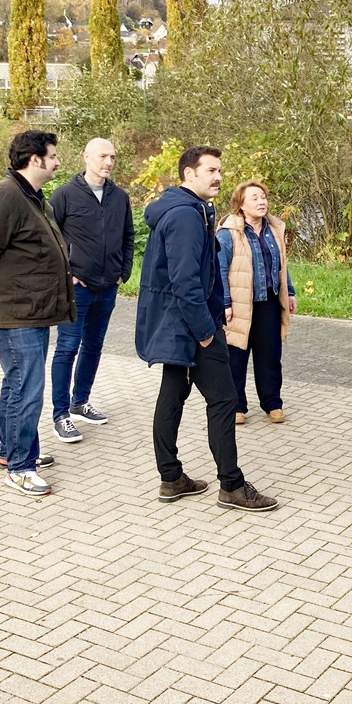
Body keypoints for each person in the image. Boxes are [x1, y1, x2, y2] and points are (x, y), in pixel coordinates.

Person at [135, 146, 279, 512]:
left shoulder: (187, 208)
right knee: (224, 400)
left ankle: (171, 478)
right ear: (189, 174)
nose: (217, 176)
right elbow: (186, 281)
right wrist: (204, 331)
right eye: (210, 170)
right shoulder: (185, 215)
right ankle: (231, 486)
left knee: (172, 395)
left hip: (177, 322)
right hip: (192, 324)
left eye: (219, 170)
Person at [0, 130, 75, 497]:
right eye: (53, 156)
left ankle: (10, 453)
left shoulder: (33, 198)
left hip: (31, 312)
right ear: (34, 159)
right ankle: (20, 467)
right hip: (13, 315)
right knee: (27, 390)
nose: (58, 162)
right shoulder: (5, 196)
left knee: (17, 386)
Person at [48, 137, 134, 443]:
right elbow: (50, 239)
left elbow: (128, 236)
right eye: (102, 156)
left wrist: (123, 273)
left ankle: (80, 402)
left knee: (94, 346)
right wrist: (66, 274)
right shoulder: (65, 196)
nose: (108, 162)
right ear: (86, 157)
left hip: (107, 287)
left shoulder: (120, 197)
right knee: (67, 347)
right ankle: (60, 414)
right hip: (77, 289)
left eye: (112, 156)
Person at [217, 181, 296, 425]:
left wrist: (289, 292)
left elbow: (282, 265)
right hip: (240, 304)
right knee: (236, 357)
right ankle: (237, 407)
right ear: (240, 204)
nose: (262, 202)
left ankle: (272, 404)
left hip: (269, 303)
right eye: (254, 198)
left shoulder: (274, 229)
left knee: (270, 357)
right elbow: (219, 269)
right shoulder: (228, 232)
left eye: (263, 197)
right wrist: (225, 302)